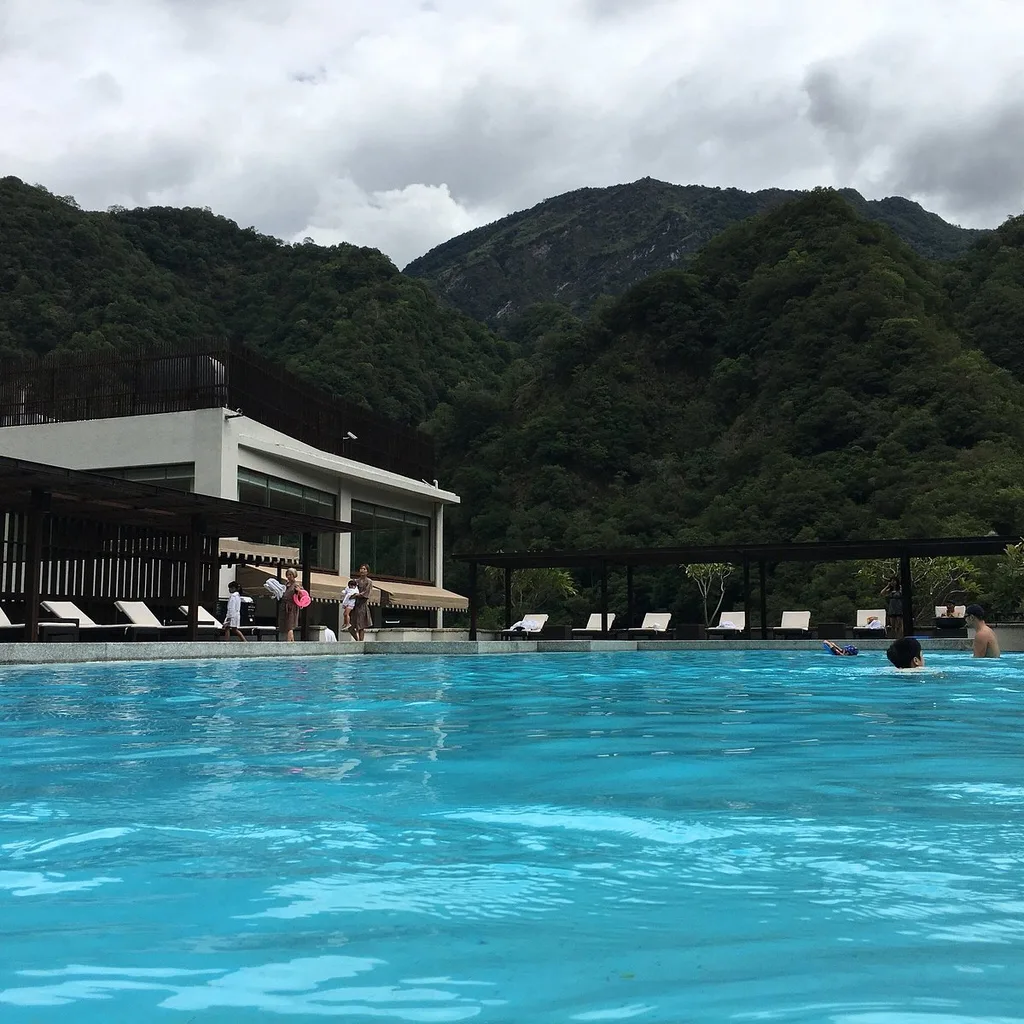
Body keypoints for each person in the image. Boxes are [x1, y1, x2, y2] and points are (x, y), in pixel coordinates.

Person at [348, 563, 373, 641]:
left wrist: (357, 595)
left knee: (361, 627)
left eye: (364, 569)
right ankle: (357, 640)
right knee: (350, 627)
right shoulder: (355, 581)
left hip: (362, 606)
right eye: (361, 568)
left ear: (367, 571)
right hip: (354, 606)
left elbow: (366, 593)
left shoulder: (369, 581)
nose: (362, 570)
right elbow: (350, 589)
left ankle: (361, 642)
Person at [278, 567, 304, 642]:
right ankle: (292, 642)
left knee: (290, 626)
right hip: (284, 606)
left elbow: (302, 595)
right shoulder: (286, 585)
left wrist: (299, 591)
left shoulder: (296, 585)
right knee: (286, 626)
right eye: (288, 574)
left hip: (291, 607)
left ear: (294, 575)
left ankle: (288, 643)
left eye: (290, 574)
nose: (289, 576)